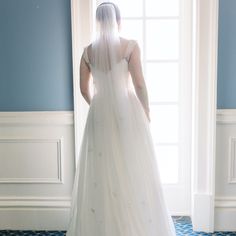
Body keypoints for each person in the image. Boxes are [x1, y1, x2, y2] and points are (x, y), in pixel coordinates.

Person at [66, 2, 176, 236]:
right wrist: (146, 110)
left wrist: (97, 104)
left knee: (102, 169)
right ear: (118, 21)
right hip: (128, 112)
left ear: (98, 22)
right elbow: (139, 83)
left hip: (100, 113)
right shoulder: (130, 46)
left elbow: (83, 89)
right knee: (131, 167)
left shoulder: (88, 51)